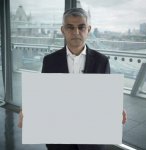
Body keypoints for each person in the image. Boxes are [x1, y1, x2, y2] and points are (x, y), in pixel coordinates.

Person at [18, 8, 127, 150]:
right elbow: (44, 97)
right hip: (59, 140)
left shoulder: (102, 61)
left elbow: (104, 98)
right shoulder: (49, 61)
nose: (76, 32)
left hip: (92, 141)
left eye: (81, 27)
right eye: (70, 27)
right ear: (63, 30)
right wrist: (29, 110)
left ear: (88, 29)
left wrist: (115, 109)